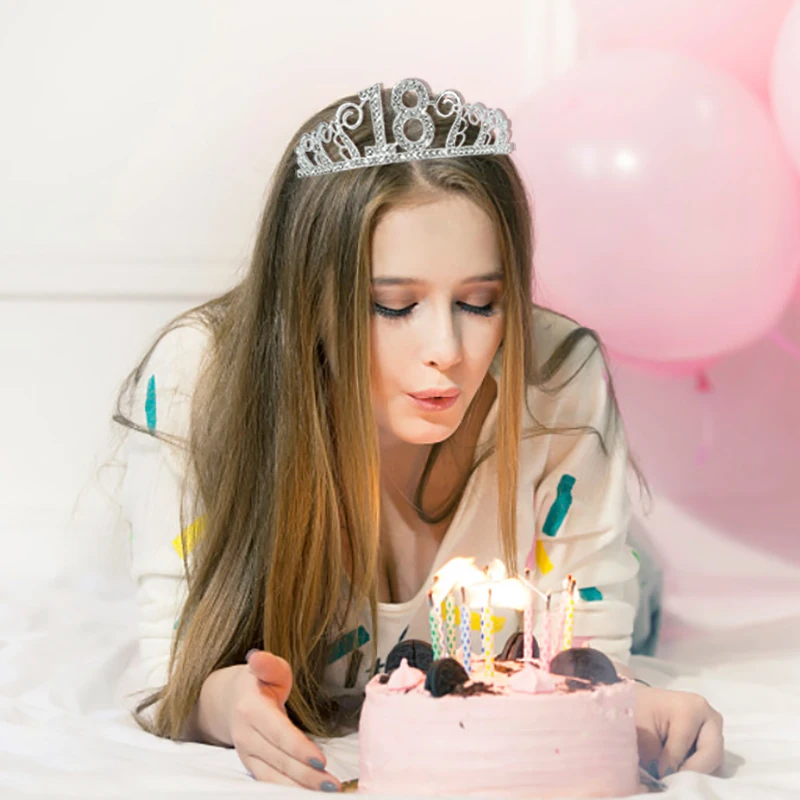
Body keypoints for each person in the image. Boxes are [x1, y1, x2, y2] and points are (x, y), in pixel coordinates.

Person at [113, 77, 724, 792]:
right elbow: (164, 668)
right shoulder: (197, 381)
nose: (449, 349)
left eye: (479, 302)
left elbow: (589, 661)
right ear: (308, 300)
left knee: (641, 589)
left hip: (588, 558)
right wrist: (221, 702)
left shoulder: (555, 378)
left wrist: (635, 705)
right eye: (392, 305)